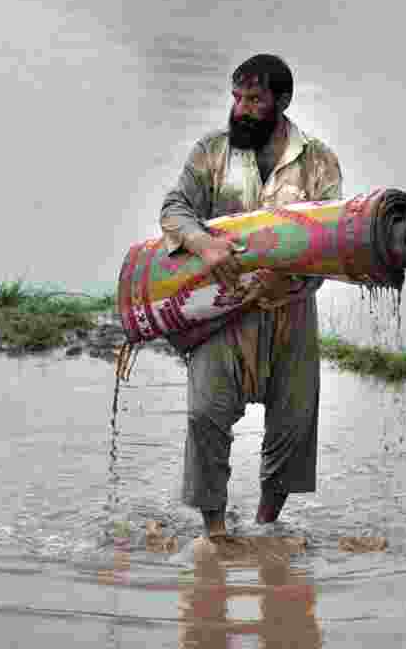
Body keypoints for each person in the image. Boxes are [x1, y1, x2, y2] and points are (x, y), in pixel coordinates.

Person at [159, 54, 343, 539]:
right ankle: (216, 533)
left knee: (294, 424)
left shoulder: (319, 162)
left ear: (282, 102)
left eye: (254, 99)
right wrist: (203, 243)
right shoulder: (211, 152)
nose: (240, 109)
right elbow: (175, 209)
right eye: (236, 97)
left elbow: (330, 242)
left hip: (291, 309)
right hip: (221, 308)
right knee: (205, 415)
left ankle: (265, 528)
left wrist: (289, 279)